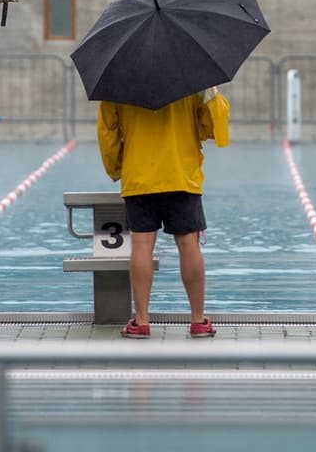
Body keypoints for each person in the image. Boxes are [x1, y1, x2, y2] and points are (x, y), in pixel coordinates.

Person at [97, 86, 230, 339]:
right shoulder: (191, 78)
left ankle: (142, 321)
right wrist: (211, 92)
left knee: (142, 243)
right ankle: (198, 321)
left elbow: (108, 131)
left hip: (139, 175)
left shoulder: (118, 81)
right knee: (189, 243)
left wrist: (116, 167)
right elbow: (211, 125)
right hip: (181, 173)